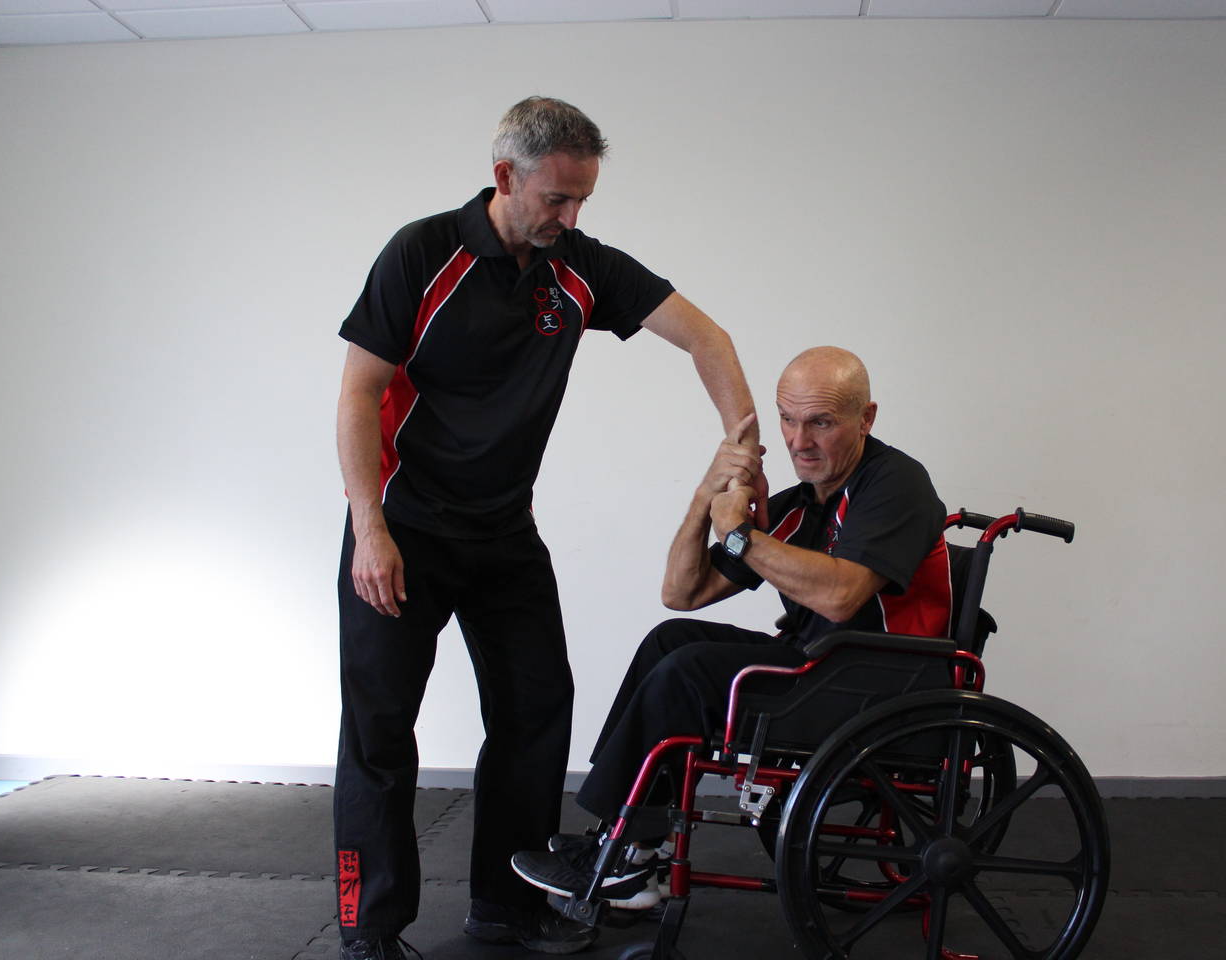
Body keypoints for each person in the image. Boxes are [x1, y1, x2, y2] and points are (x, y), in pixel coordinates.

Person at [333, 96, 763, 960]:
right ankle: (367, 930)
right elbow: (358, 393)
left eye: (583, 202)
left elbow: (708, 338)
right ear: (506, 178)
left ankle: (506, 905)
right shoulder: (424, 253)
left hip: (503, 534)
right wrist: (368, 528)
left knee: (537, 711)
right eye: (557, 200)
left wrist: (743, 458)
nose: (570, 219)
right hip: (405, 527)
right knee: (380, 733)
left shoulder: (580, 269)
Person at [511, 346, 953, 911]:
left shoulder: (896, 483)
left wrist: (742, 537)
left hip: (883, 685)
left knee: (690, 673)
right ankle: (632, 846)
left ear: (866, 419)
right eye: (788, 419)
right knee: (671, 642)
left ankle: (624, 850)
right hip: (823, 666)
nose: (799, 441)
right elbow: (682, 593)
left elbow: (842, 596)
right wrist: (707, 497)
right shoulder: (803, 505)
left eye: (821, 422)